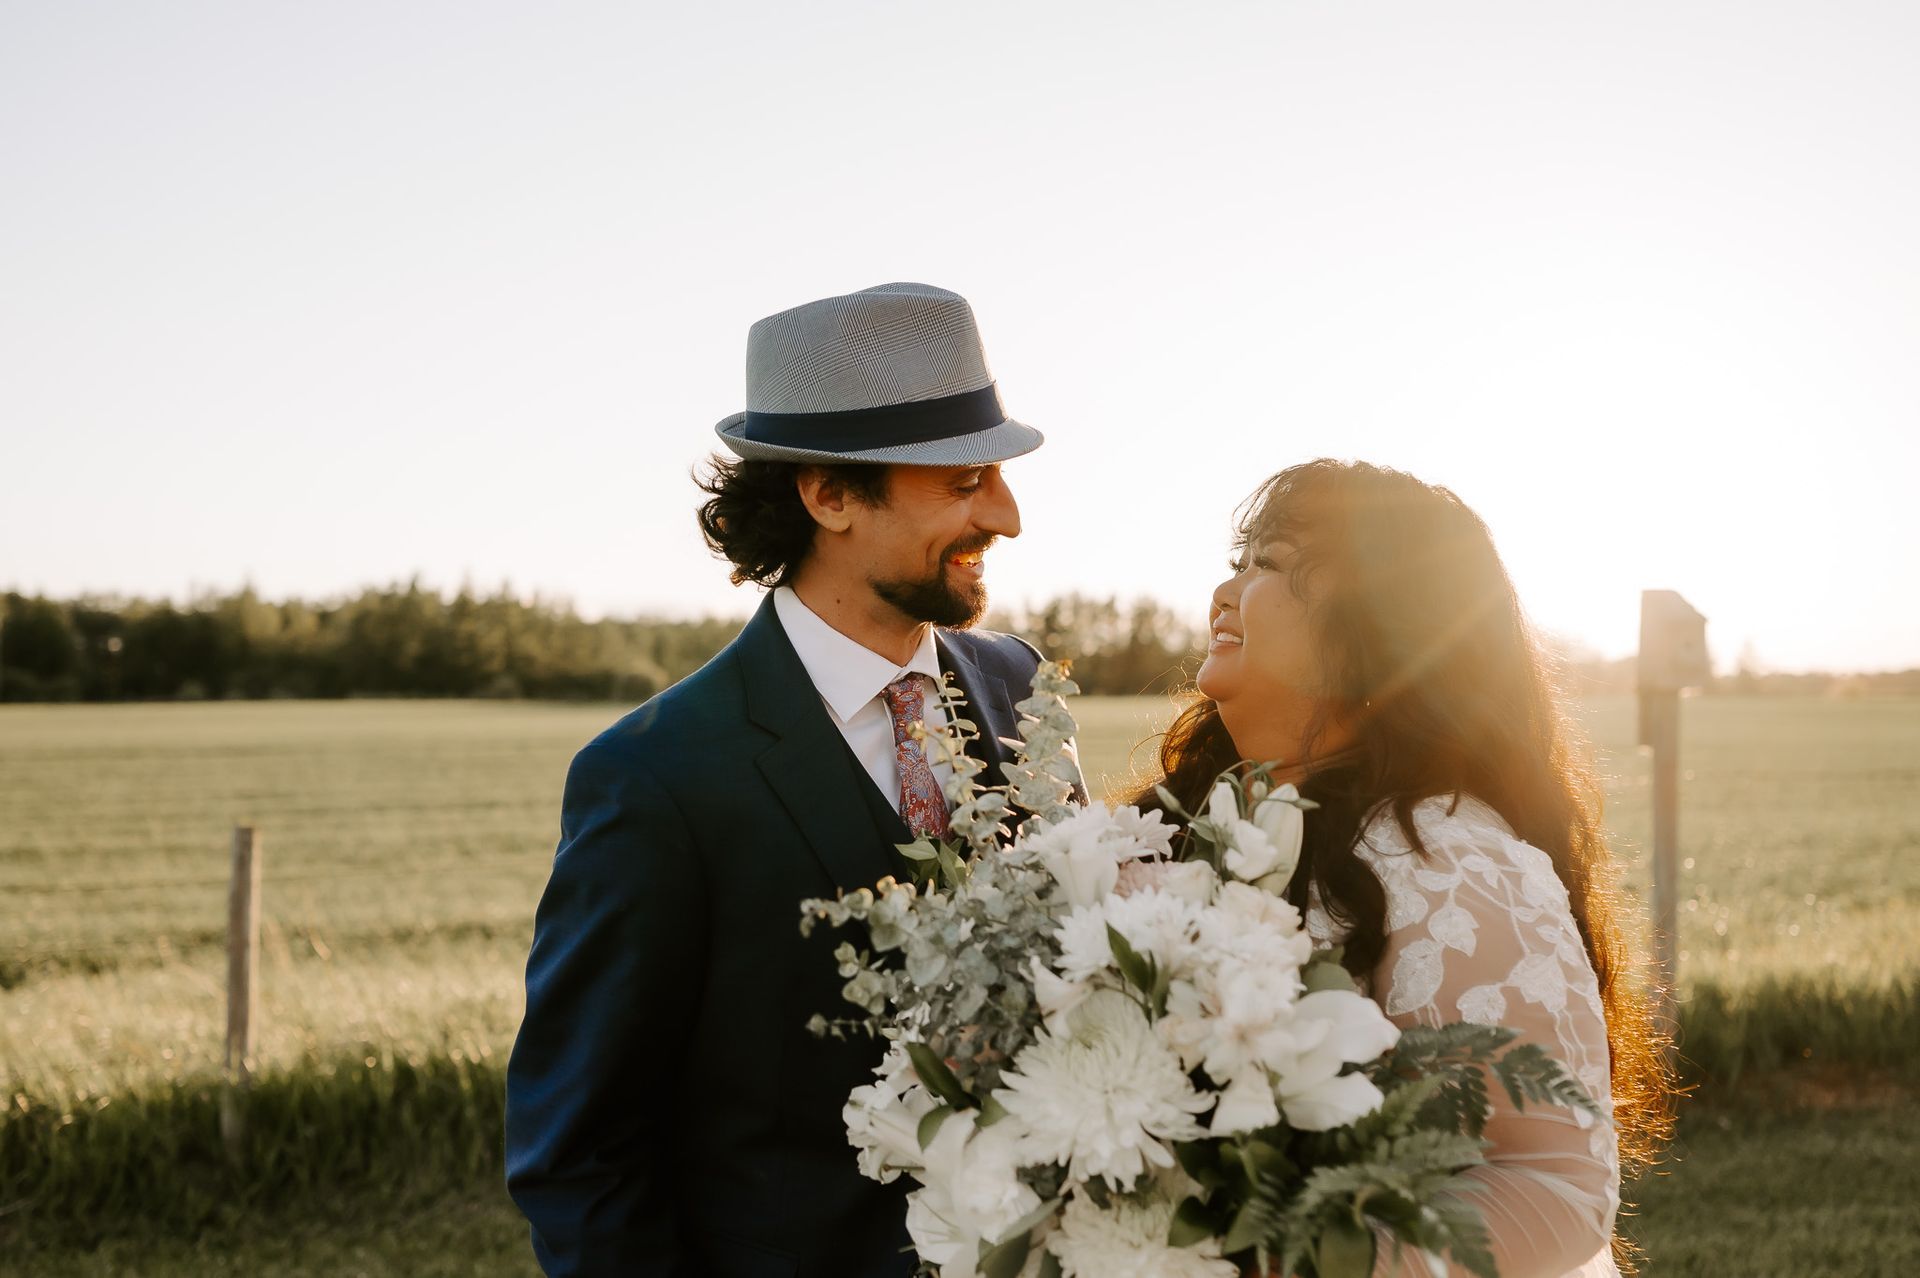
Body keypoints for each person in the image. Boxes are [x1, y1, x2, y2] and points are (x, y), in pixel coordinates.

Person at [505, 283, 1079, 1277]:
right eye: (964, 478)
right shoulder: (653, 778)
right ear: (828, 494)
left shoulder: (1023, 688)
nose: (1008, 514)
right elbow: (580, 1153)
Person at [1144, 459, 1673, 1277]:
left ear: (1374, 632)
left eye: (1268, 565)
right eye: (1235, 561)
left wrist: (1283, 1260)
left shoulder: (1452, 863)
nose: (1224, 593)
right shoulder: (1179, 825)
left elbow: (1556, 1185)